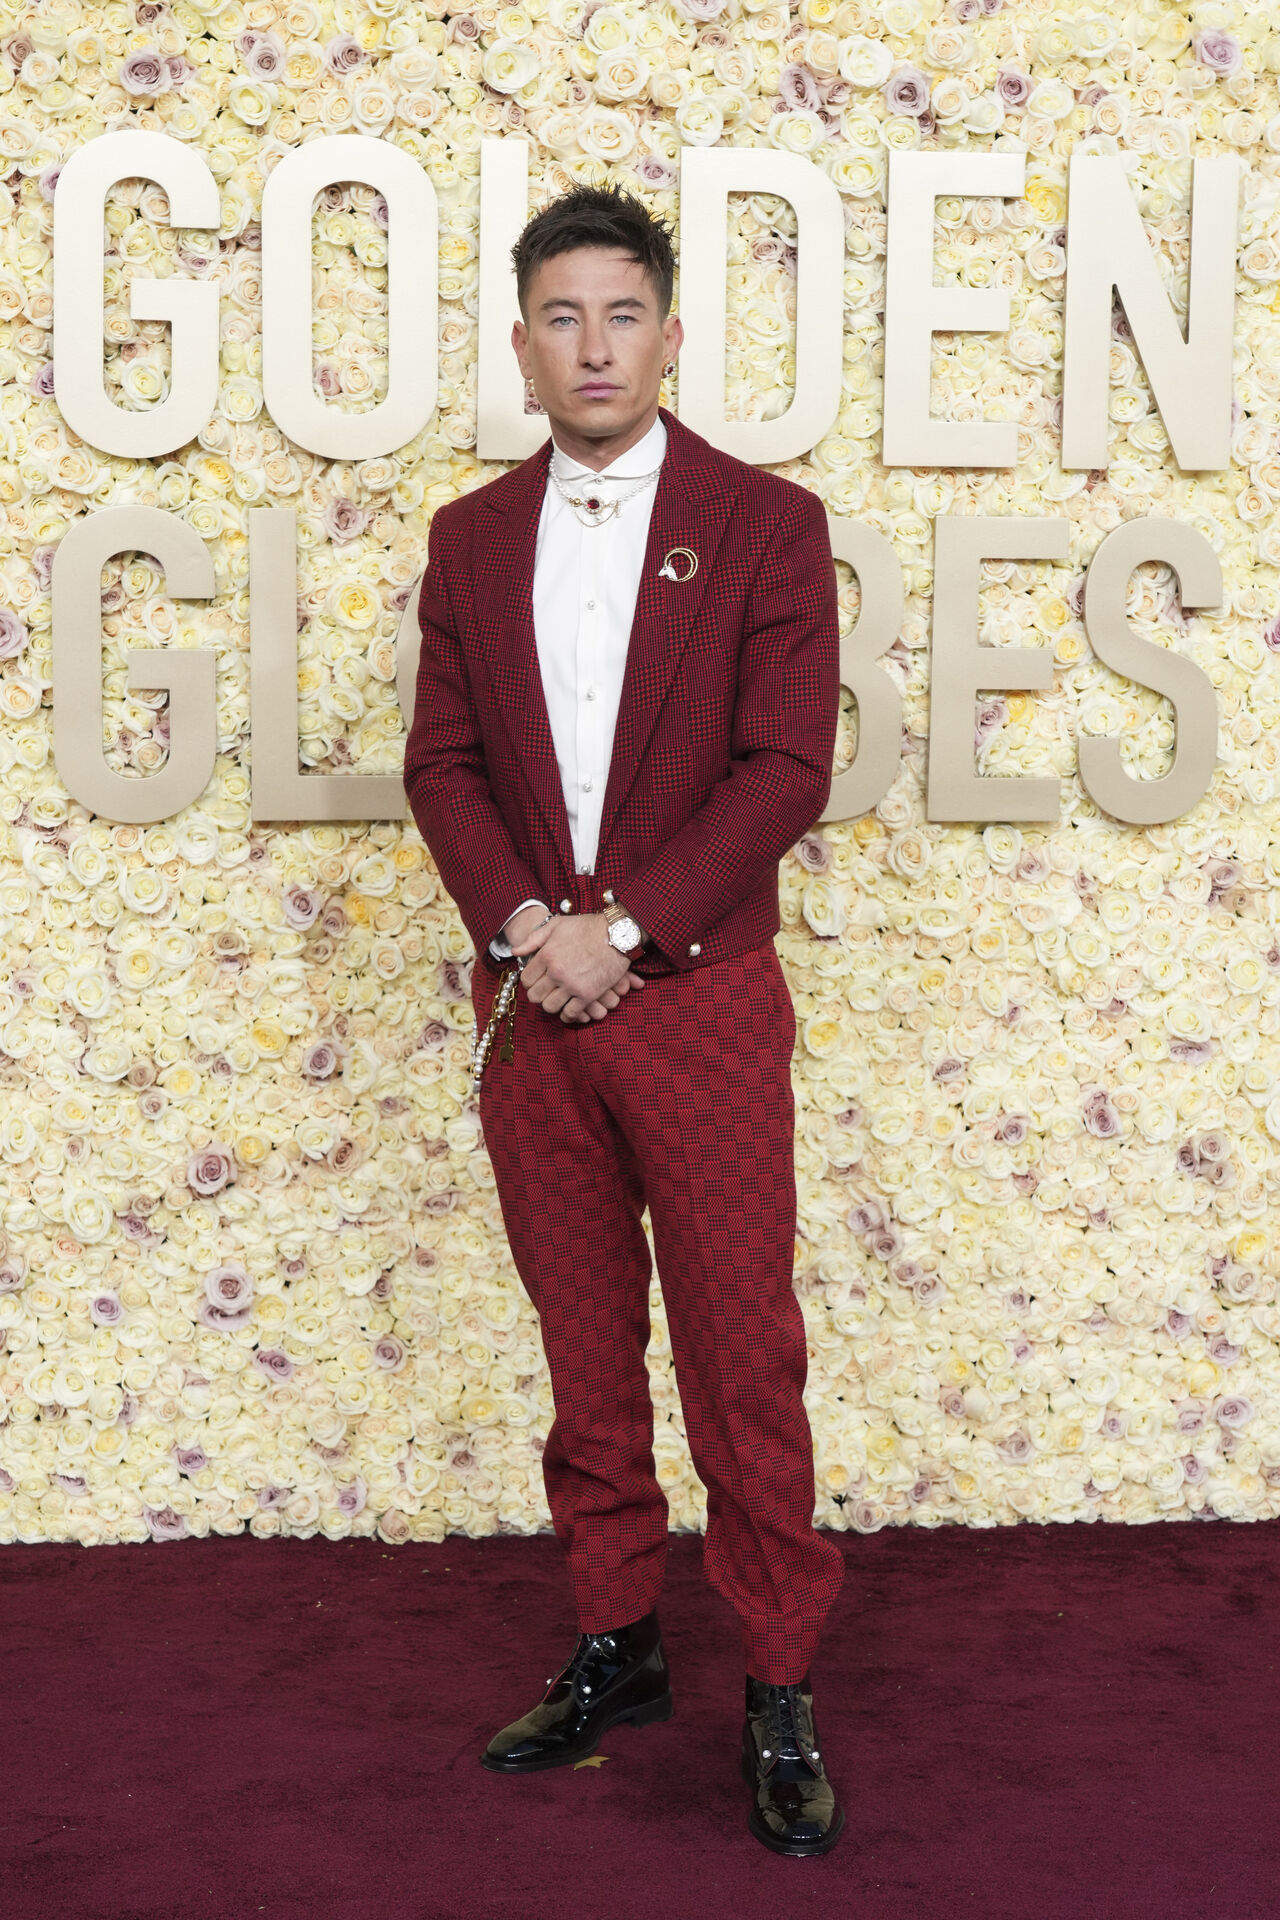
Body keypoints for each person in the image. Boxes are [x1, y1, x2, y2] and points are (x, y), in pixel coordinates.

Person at [404, 183, 845, 1857]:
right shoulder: (467, 537)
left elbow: (786, 763)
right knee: (584, 1351)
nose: (593, 344)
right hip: (535, 1007)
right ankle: (619, 1641)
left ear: (670, 333)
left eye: (623, 313)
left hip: (702, 1002)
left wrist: (626, 926)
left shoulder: (764, 524)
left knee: (744, 1357)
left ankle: (781, 1686)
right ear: (522, 351)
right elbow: (443, 764)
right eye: (560, 318)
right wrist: (529, 930)